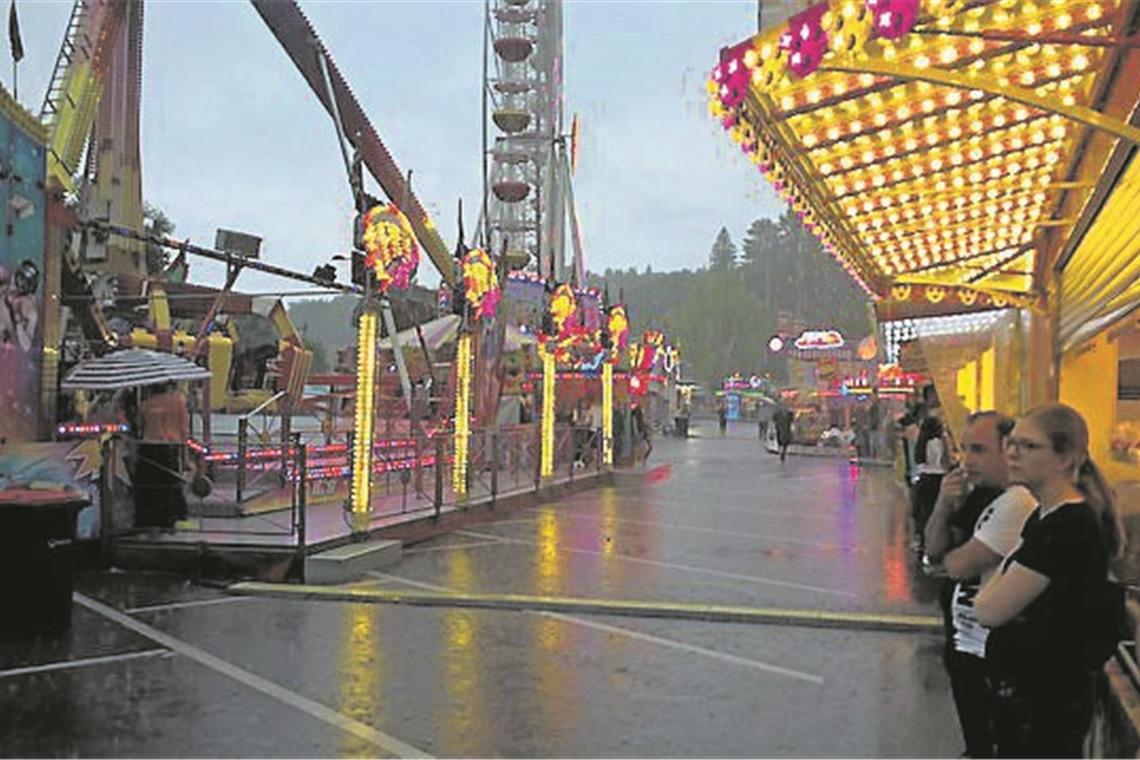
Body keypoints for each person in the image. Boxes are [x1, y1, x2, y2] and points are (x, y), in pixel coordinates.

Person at [976, 404, 1127, 758]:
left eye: (1029, 446)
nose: (1013, 453)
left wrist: (994, 587)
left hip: (1046, 706)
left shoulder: (1065, 528)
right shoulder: (1047, 518)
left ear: (1066, 458)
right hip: (1033, 702)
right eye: (1011, 443)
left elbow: (989, 609)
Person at [924, 412, 1037, 759]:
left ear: (1009, 451)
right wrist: (944, 503)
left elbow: (956, 565)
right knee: (976, 743)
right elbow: (934, 548)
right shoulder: (979, 496)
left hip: (994, 654)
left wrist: (945, 562)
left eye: (979, 450)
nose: (966, 460)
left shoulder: (1018, 502)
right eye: (963, 449)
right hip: (965, 644)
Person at [135, 381, 190, 528]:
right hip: (170, 446)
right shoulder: (179, 402)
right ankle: (173, 516)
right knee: (171, 482)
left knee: (149, 485)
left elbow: (140, 427)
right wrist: (186, 456)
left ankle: (149, 517)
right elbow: (184, 430)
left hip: (148, 447)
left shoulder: (145, 405)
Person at [912, 414, 950, 553]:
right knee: (936, 511)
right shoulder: (940, 442)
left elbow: (919, 461)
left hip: (924, 478)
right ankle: (933, 542)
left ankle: (920, 539)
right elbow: (946, 461)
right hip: (938, 479)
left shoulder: (922, 442)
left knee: (923, 511)